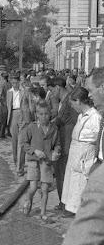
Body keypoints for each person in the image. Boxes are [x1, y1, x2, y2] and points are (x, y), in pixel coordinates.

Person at [62, 67, 104, 245]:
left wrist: (92, 166)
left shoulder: (96, 117)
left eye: (92, 90)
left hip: (92, 168)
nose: (90, 96)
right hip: (81, 164)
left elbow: (96, 142)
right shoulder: (85, 116)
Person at [61, 87, 101, 217]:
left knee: (82, 199)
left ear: (78, 101)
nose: (72, 107)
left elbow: (99, 142)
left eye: (73, 104)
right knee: (73, 197)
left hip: (85, 165)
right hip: (74, 162)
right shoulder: (80, 117)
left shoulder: (95, 117)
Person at [22, 102, 61, 220]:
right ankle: (29, 199)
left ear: (50, 114)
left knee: (45, 189)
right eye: (41, 114)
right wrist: (34, 151)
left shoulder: (54, 128)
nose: (44, 117)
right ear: (36, 115)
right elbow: (24, 143)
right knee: (33, 187)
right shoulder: (31, 127)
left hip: (47, 161)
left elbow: (57, 143)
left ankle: (43, 213)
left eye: (46, 114)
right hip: (34, 161)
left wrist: (57, 151)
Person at [49, 77, 78, 211]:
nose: (51, 94)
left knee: (64, 175)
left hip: (67, 143)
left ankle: (66, 204)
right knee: (61, 174)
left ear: (57, 88)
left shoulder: (69, 102)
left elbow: (71, 122)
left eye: (52, 90)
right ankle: (63, 203)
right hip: (64, 142)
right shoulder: (65, 101)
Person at [7, 72, 34, 176]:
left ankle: (20, 168)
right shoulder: (9, 92)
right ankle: (16, 163)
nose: (14, 84)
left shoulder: (25, 90)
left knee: (21, 142)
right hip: (13, 115)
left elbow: (31, 104)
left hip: (24, 115)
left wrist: (32, 119)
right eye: (12, 83)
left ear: (19, 81)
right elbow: (8, 106)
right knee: (14, 142)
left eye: (15, 82)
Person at [0, 72, 11, 138]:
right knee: (8, 119)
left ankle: (1, 134)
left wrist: (2, 101)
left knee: (2, 119)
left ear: (2, 77)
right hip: (9, 102)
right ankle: (8, 132)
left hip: (4, 103)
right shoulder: (10, 84)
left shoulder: (2, 84)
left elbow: (0, 95)